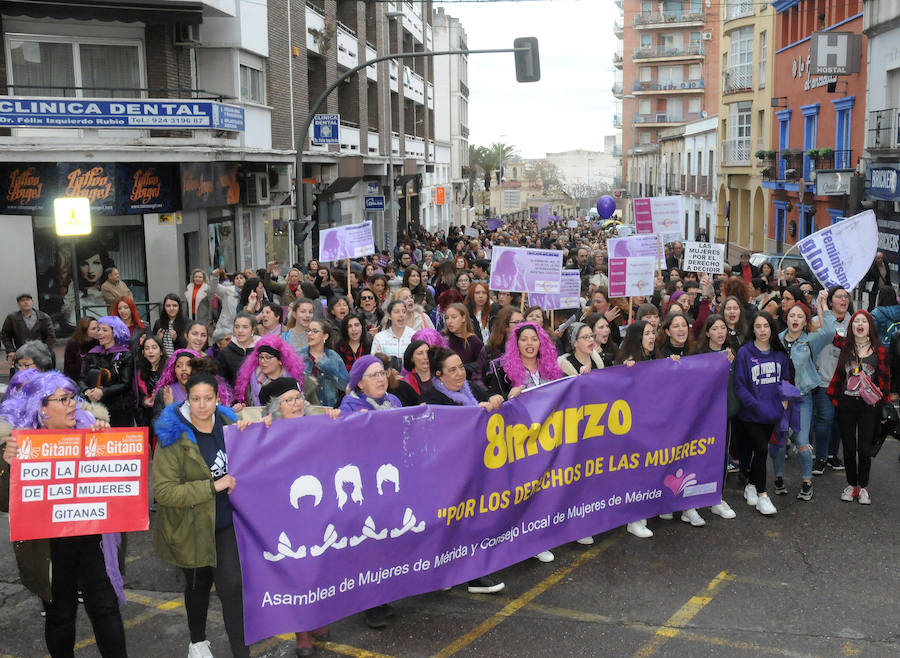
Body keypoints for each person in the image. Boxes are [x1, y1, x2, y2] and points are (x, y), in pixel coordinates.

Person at [0, 371, 127, 657]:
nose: (73, 404)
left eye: (72, 398)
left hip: (92, 540)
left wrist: (107, 444)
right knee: (60, 615)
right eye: (63, 399)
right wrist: (8, 465)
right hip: (49, 548)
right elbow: (5, 501)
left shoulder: (92, 429)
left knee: (106, 609)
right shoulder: (19, 444)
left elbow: (116, 483)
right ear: (41, 408)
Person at [152, 362, 250, 658]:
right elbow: (164, 491)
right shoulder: (172, 437)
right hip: (190, 526)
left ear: (218, 398)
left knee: (232, 587)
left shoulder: (229, 424)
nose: (202, 405)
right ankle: (197, 641)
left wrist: (250, 431)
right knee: (197, 588)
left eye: (208, 398)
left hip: (224, 522)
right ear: (187, 399)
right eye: (196, 399)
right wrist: (212, 486)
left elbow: (264, 440)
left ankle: (240, 650)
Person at [418, 347, 507, 592]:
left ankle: (470, 573)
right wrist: (472, 413)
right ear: (439, 374)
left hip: (476, 470)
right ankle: (453, 573)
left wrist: (496, 400)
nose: (459, 374)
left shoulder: (471, 389)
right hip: (446, 476)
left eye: (461, 368)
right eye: (452, 370)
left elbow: (491, 395)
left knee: (473, 522)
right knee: (451, 526)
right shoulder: (431, 399)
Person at [485, 321, 563, 563]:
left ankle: (546, 533)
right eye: (524, 339)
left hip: (550, 439)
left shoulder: (551, 368)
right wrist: (508, 398)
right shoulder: (502, 370)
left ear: (542, 343)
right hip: (521, 442)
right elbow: (497, 405)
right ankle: (531, 541)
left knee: (548, 488)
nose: (530, 344)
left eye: (534, 339)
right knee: (526, 491)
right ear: (516, 344)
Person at [826, 310, 891, 505]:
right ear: (852, 327)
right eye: (856, 322)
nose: (860, 324)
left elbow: (885, 382)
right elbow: (831, 333)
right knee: (848, 447)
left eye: (864, 321)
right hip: (846, 404)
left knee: (864, 448)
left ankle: (863, 487)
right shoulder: (846, 346)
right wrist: (822, 305)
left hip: (868, 406)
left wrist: (883, 408)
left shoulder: (880, 351)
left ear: (870, 327)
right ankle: (851, 484)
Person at [774, 290, 834, 501]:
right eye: (792, 316)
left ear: (806, 320)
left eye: (800, 316)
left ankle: (807, 482)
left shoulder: (811, 341)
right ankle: (779, 478)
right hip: (780, 399)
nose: (796, 319)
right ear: (786, 318)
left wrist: (823, 303)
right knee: (779, 440)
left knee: (801, 440)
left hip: (803, 398)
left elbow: (830, 331)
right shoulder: (777, 340)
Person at [733, 311, 791, 516]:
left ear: (771, 328)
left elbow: (785, 381)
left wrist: (782, 404)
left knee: (759, 451)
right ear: (753, 329)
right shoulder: (745, 353)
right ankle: (763, 495)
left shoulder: (779, 354)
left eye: (766, 326)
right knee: (761, 449)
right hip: (751, 414)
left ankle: (750, 484)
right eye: (758, 326)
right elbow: (739, 385)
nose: (762, 330)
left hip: (772, 414)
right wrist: (756, 405)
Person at [812, 286, 852, 475]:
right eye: (838, 296)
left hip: (846, 383)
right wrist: (820, 306)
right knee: (825, 419)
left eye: (846, 297)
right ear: (830, 301)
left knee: (839, 420)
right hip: (823, 380)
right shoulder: (817, 321)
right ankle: (820, 458)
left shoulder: (855, 322)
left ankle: (832, 455)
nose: (843, 300)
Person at [80, 315, 135, 427]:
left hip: (119, 409)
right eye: (99, 329)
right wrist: (86, 391)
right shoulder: (91, 354)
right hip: (94, 407)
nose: (99, 333)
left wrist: (103, 392)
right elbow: (81, 378)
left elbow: (125, 384)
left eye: (104, 330)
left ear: (115, 333)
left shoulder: (125, 355)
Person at [299, 319, 349, 408]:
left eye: (314, 331)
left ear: (325, 336)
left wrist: (326, 365)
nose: (310, 334)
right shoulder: (299, 355)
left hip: (328, 408)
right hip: (304, 408)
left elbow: (345, 385)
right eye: (308, 330)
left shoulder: (333, 357)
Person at [2, 293, 55, 373]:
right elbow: (5, 335)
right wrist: (10, 350)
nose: (26, 302)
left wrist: (45, 350)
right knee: (23, 377)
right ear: (18, 304)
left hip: (41, 354)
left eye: (28, 300)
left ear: (32, 302)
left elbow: (50, 336)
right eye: (22, 301)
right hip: (21, 354)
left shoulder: (43, 317)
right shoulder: (12, 318)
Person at [443, 303, 486, 383]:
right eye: (447, 318)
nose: (449, 321)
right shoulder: (443, 339)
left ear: (463, 318)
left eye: (454, 317)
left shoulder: (474, 341)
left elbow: (482, 368)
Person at [215, 312, 259, 387]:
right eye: (237, 327)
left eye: (245, 327)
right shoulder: (225, 353)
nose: (240, 330)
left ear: (253, 330)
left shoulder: (261, 350)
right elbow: (221, 382)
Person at [371, 300, 415, 370]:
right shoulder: (380, 337)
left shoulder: (414, 335)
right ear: (389, 316)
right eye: (396, 312)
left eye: (404, 312)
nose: (401, 315)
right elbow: (374, 361)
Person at [134, 334, 166, 430]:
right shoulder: (139, 372)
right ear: (143, 352)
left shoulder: (168, 370)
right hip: (146, 417)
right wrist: (144, 401)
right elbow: (136, 396)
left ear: (161, 351)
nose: (150, 351)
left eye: (154, 347)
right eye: (147, 348)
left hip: (165, 415)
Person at [397, 340, 434, 406]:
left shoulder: (441, 379)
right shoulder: (403, 384)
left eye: (428, 352)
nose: (426, 357)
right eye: (420, 353)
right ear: (411, 358)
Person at [63, 316, 98, 381]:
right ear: (84, 330)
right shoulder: (73, 344)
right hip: (77, 379)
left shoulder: (98, 342)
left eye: (98, 328)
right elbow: (68, 368)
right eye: (93, 329)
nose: (97, 331)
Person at [152, 293, 187, 358]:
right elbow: (153, 344)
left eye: (175, 305)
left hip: (180, 359)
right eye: (168, 306)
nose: (171, 308)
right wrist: (158, 339)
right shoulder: (158, 323)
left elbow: (187, 345)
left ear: (179, 307)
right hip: (163, 360)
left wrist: (176, 339)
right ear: (164, 307)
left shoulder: (186, 322)